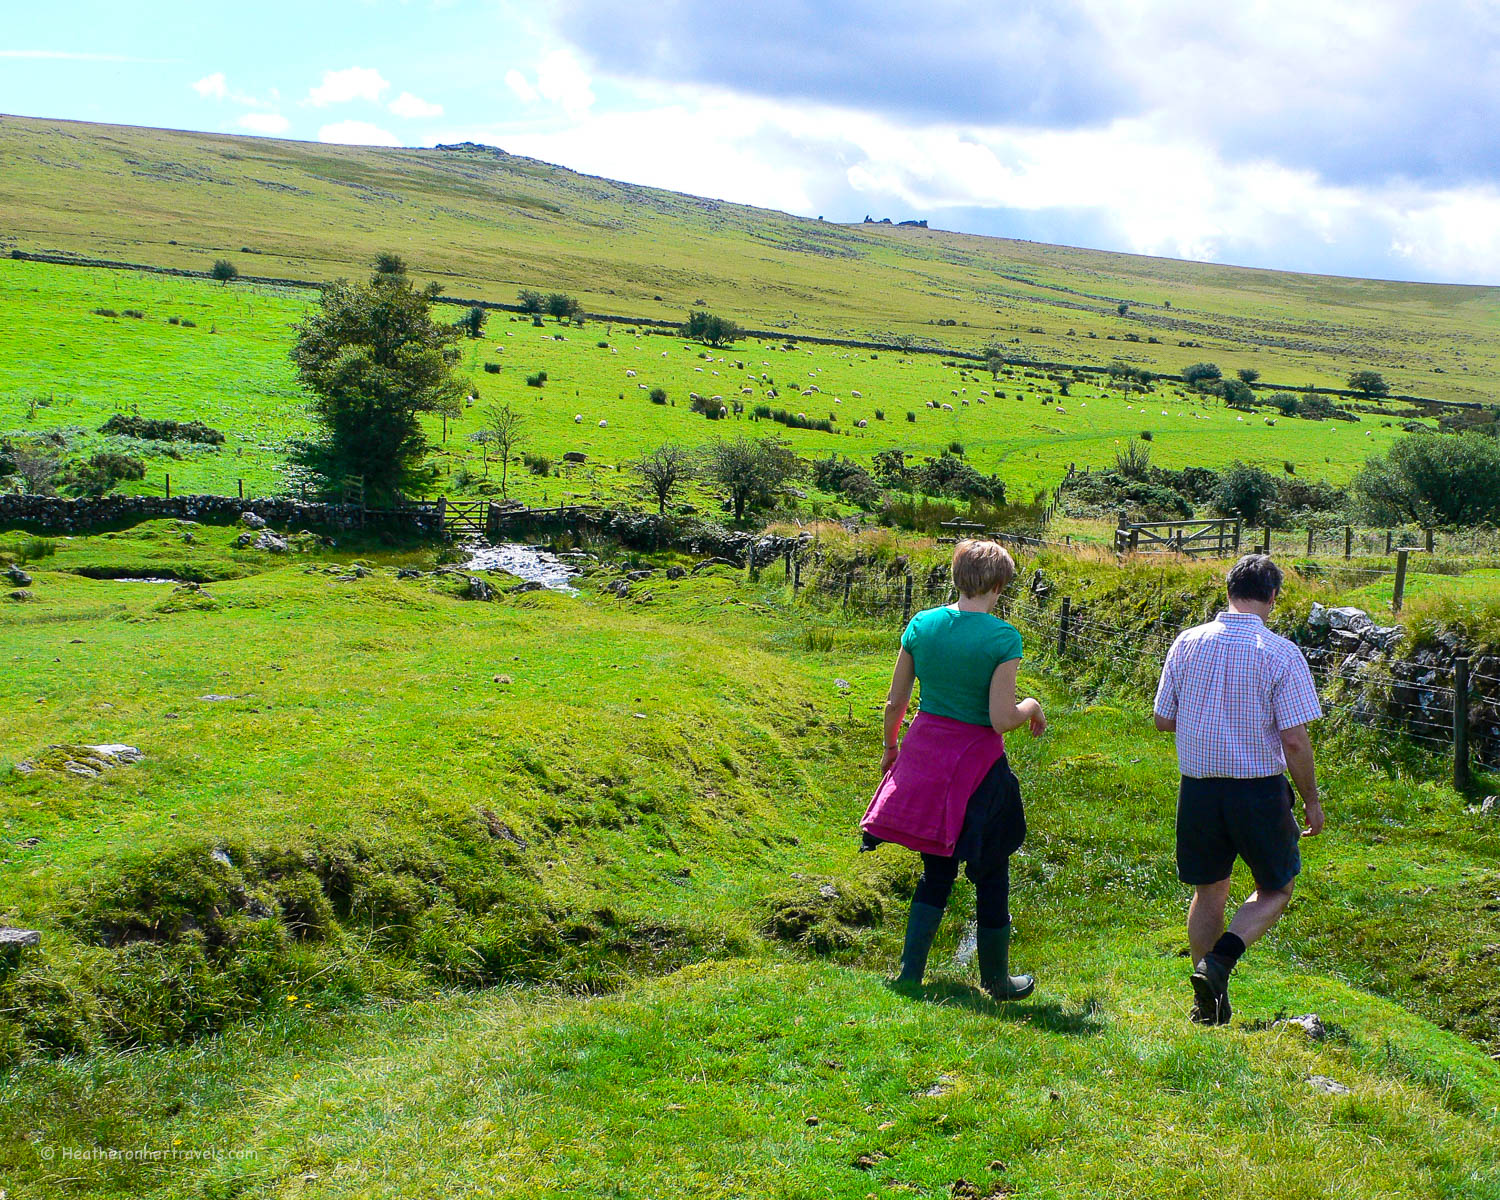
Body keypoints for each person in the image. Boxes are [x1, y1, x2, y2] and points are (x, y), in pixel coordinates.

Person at [861, 539, 1046, 1001]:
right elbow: (1002, 718)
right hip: (978, 770)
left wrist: (890, 748)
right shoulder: (1003, 638)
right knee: (991, 870)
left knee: (936, 870)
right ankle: (997, 981)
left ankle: (909, 975)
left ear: (956, 577)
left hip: (925, 758)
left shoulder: (922, 625)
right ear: (1000, 585)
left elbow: (895, 702)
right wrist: (1033, 705)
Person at [1152, 553, 1323, 1025]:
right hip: (1258, 791)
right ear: (1272, 596)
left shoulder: (1186, 643)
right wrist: (1310, 799)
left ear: (1228, 590)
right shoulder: (1281, 652)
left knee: (1210, 891)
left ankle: (1208, 1007)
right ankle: (1221, 960)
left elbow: (1164, 718)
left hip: (1200, 788)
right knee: (1277, 887)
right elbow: (1293, 738)